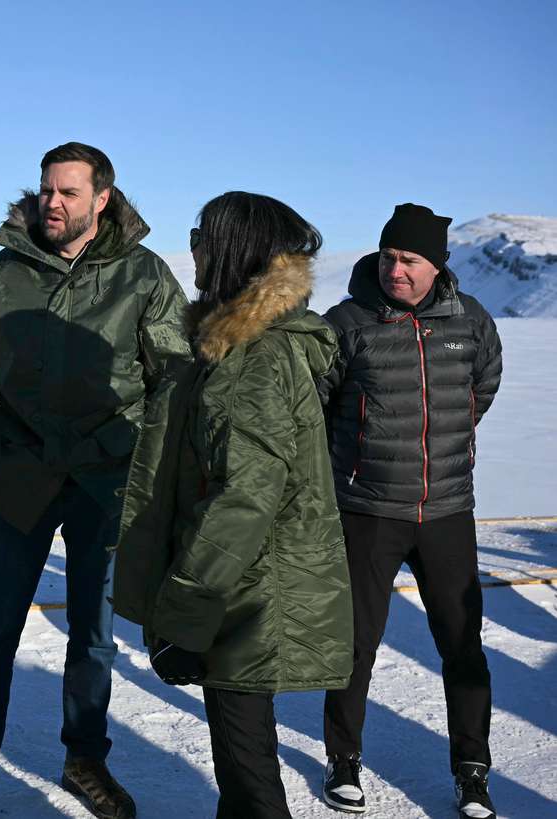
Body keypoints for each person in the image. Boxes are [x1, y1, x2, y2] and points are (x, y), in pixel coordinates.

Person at [0, 142, 190, 819]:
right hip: (23, 477)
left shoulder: (143, 276)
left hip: (107, 481)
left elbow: (175, 381)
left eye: (68, 191)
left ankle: (85, 758)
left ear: (102, 198)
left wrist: (147, 467)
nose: (53, 202)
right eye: (47, 189)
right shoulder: (5, 273)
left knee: (94, 633)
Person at [116, 191, 353, 818]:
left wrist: (186, 615)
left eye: (202, 234)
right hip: (244, 588)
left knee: (249, 777)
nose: (192, 245)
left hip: (244, 596)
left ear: (232, 248)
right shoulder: (235, 344)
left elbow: (243, 500)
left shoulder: (254, 358)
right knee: (241, 769)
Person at [318, 204, 502, 819]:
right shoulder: (346, 322)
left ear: (437, 266)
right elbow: (317, 404)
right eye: (389, 256)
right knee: (356, 643)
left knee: (462, 643)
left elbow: (484, 385)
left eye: (410, 259)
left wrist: (448, 441)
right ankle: (343, 761)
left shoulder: (469, 320)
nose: (395, 269)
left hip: (448, 508)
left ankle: (472, 770)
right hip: (368, 509)